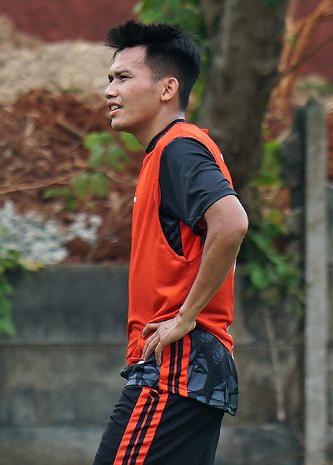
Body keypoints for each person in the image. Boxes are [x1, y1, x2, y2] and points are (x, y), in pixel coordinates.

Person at [92, 21, 249, 465]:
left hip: (177, 366)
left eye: (123, 78)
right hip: (186, 366)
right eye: (109, 79)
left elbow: (232, 223)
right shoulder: (164, 154)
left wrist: (184, 317)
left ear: (167, 89)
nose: (109, 91)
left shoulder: (180, 147)